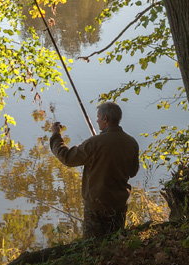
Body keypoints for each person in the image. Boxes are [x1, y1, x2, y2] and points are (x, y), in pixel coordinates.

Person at [50, 102, 140, 239]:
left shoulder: (94, 143)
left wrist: (56, 136)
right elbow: (133, 171)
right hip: (119, 205)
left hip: (96, 207)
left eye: (98, 117)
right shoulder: (131, 142)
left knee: (92, 247)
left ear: (105, 119)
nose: (97, 120)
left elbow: (67, 158)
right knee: (115, 242)